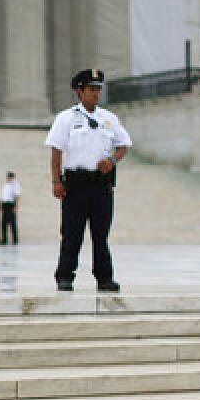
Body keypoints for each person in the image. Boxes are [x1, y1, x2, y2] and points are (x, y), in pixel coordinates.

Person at [45, 69, 132, 292]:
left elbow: (124, 145)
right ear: (80, 91)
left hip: (101, 184)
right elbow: (56, 152)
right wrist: (56, 182)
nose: (96, 94)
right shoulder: (66, 118)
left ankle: (104, 278)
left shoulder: (108, 119)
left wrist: (112, 160)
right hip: (76, 184)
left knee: (100, 235)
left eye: (98, 89)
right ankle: (65, 276)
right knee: (72, 234)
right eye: (91, 89)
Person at [0, 171, 21, 245]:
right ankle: (4, 239)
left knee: (12, 223)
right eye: (8, 177)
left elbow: (17, 196)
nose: (8, 178)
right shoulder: (5, 185)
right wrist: (1, 205)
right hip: (5, 204)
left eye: (10, 177)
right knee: (3, 223)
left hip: (11, 204)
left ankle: (15, 240)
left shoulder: (15, 185)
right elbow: (3, 196)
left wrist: (15, 206)